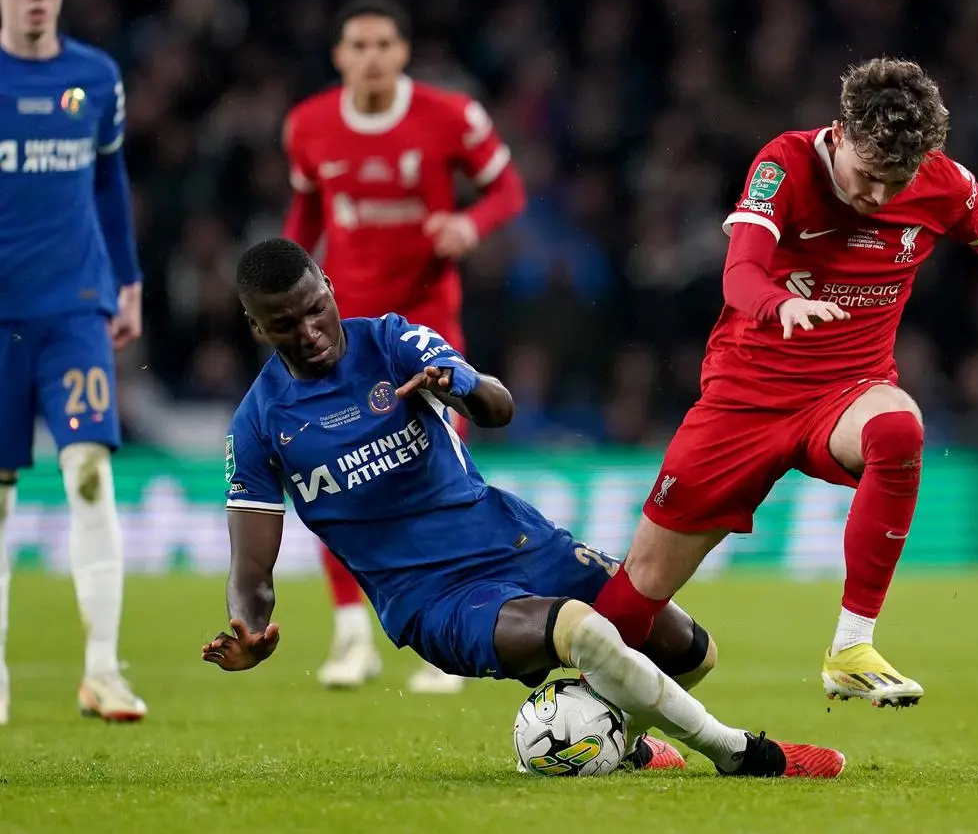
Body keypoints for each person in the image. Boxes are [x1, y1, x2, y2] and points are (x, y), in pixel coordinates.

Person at [590, 58, 978, 708]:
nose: (877, 197)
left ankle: (851, 647)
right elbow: (741, 273)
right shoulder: (783, 164)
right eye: (868, 177)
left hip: (846, 390)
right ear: (840, 135)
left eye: (894, 183)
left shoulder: (941, 183)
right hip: (745, 397)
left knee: (898, 426)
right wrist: (777, 304)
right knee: (641, 588)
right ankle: (576, 702)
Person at [201, 239, 844, 779]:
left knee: (691, 651)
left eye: (316, 309)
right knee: (581, 630)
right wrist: (246, 626)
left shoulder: (392, 341)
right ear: (257, 328)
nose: (309, 332)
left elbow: (499, 408)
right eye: (284, 324)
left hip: (516, 540)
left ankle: (609, 741)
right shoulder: (260, 425)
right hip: (432, 598)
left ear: (330, 288)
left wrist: (465, 387)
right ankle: (740, 754)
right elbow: (251, 567)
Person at [282, 0, 527, 693]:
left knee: (439, 466)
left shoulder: (451, 116)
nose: (371, 58)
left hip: (425, 323)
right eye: (357, 46)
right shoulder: (308, 126)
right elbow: (304, 220)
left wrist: (470, 226)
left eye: (383, 44)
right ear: (339, 57)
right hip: (341, 327)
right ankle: (351, 634)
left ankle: (449, 633)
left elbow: (506, 188)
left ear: (403, 52)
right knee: (333, 467)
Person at [0, 0, 147, 724]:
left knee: (89, 470)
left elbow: (108, 179)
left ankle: (102, 671)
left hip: (74, 310)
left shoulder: (94, 76)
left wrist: (128, 279)